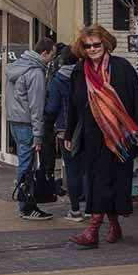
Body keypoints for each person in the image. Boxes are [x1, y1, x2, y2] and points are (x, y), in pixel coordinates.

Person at [65, 24, 138, 248]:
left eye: (96, 44)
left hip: (119, 136)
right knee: (99, 181)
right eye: (87, 45)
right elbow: (73, 105)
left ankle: (94, 231)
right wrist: (68, 132)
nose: (92, 49)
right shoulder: (79, 72)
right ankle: (111, 226)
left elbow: (136, 99)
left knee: (108, 182)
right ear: (82, 48)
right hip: (92, 137)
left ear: (105, 43)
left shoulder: (121, 67)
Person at [6, 36, 58, 221]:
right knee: (27, 166)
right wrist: (38, 134)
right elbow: (36, 106)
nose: (52, 60)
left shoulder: (17, 66)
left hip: (15, 121)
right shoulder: (35, 73)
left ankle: (25, 202)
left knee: (24, 162)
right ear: (44, 53)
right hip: (27, 124)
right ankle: (26, 206)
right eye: (52, 55)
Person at [46, 46, 85, 221]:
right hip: (87, 127)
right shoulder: (86, 75)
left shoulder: (58, 79)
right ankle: (92, 209)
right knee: (88, 169)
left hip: (64, 129)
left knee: (71, 168)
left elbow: (53, 107)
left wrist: (48, 121)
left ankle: (75, 210)